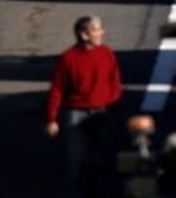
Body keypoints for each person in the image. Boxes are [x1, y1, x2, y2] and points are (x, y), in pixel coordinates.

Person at [46, 15, 122, 198]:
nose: (102, 32)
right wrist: (52, 119)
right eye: (96, 29)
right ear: (84, 35)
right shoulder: (68, 58)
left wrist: (112, 103)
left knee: (99, 156)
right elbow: (57, 88)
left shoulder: (107, 53)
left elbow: (115, 82)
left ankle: (97, 191)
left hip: (101, 112)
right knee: (77, 159)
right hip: (75, 113)